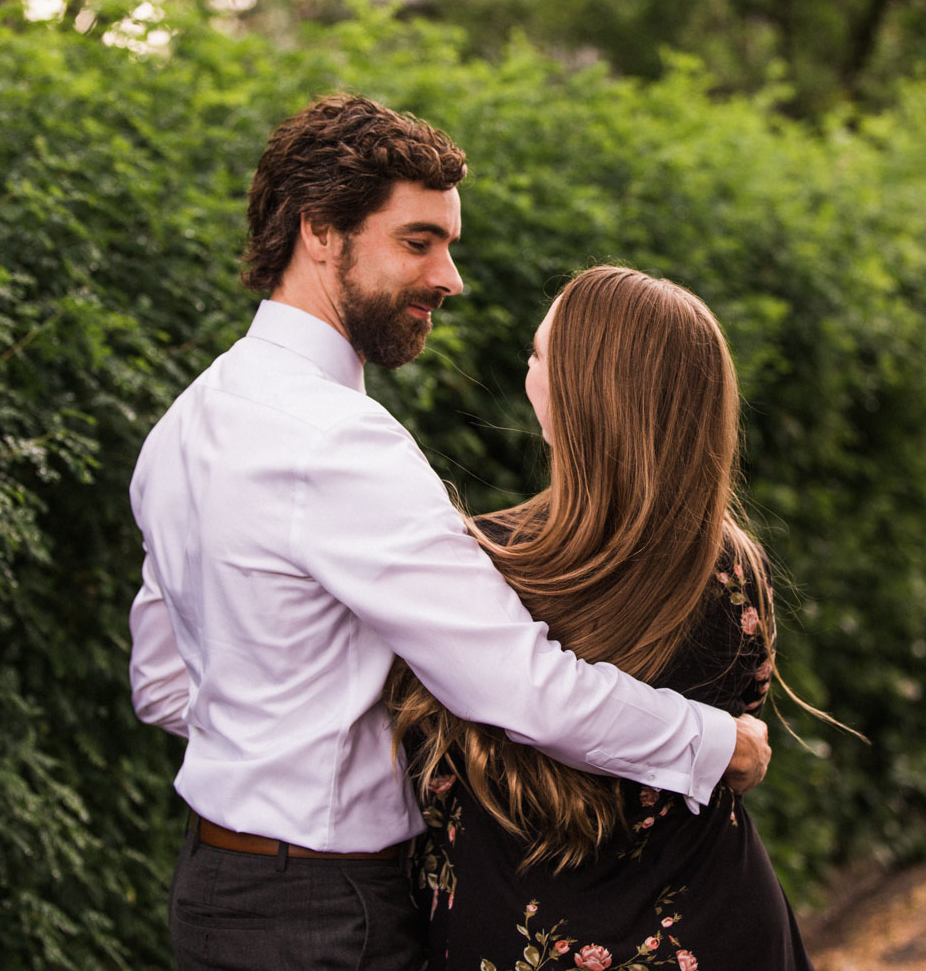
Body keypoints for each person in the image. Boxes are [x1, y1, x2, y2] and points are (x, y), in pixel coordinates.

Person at [126, 95, 773, 971]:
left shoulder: (186, 423)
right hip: (329, 913)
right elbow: (519, 686)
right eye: (417, 241)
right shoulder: (341, 444)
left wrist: (275, 735)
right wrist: (713, 742)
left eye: (449, 246)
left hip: (215, 894)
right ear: (321, 232)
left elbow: (163, 685)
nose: (449, 278)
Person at [387, 266, 822, 971]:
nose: (528, 370)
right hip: (720, 929)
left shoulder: (475, 566)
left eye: (537, 355)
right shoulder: (733, 567)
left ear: (576, 392)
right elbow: (743, 715)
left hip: (520, 945)